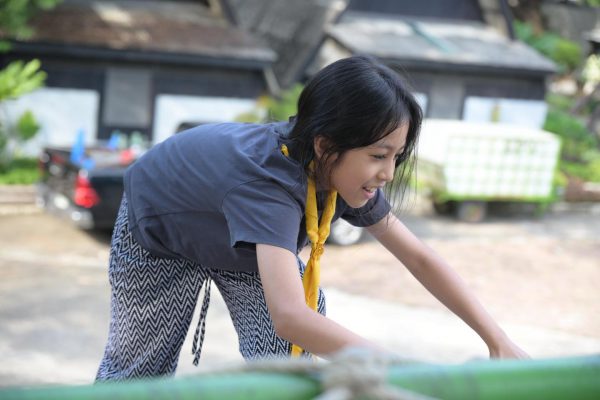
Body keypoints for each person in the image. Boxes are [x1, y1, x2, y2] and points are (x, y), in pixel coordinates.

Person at [95, 55, 528, 381]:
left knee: (290, 353)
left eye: (396, 156)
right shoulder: (268, 187)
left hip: (240, 235)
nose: (388, 173)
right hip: (161, 224)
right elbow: (288, 314)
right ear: (325, 145)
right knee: (138, 370)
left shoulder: (341, 174)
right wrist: (403, 373)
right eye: (378, 155)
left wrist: (498, 340)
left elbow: (420, 258)